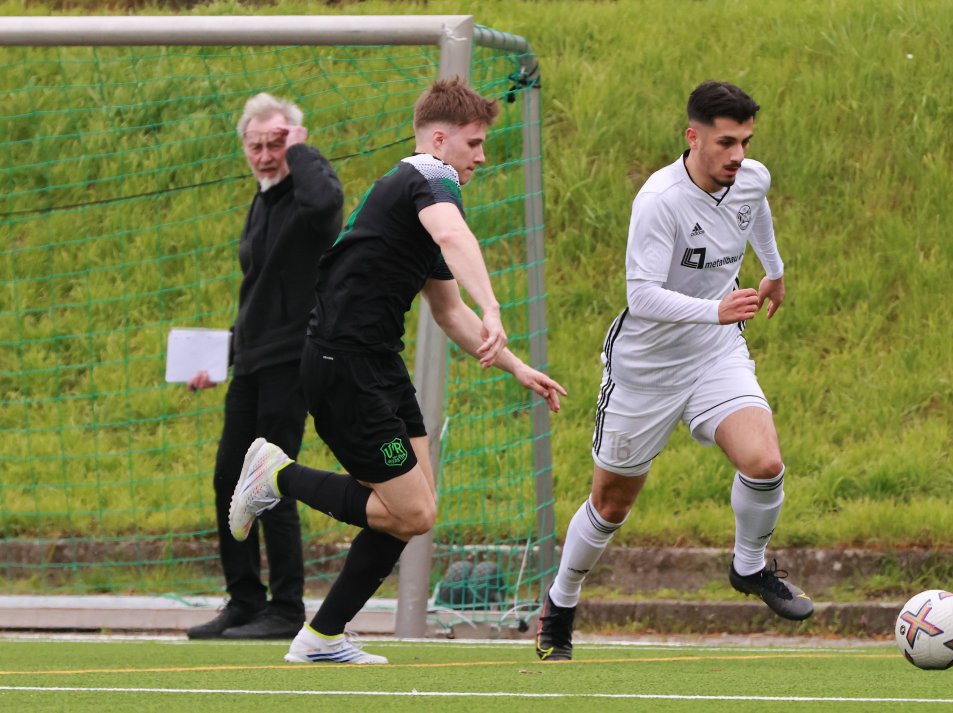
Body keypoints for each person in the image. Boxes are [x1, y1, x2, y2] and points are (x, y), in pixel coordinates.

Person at [228, 78, 567, 665]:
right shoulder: (427, 177)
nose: (481, 157)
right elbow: (454, 236)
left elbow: (447, 311)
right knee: (413, 512)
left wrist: (515, 366)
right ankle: (275, 475)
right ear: (440, 139)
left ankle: (322, 636)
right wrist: (495, 306)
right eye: (475, 143)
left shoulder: (416, 199)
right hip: (343, 367)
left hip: (377, 366)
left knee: (410, 513)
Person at [534, 81, 814, 662]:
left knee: (764, 462)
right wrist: (715, 308)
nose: (738, 155)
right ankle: (561, 603)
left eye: (745, 141)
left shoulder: (750, 177)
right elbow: (641, 296)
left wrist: (775, 271)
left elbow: (754, 210)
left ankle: (749, 567)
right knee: (611, 506)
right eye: (725, 142)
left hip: (715, 353)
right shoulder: (659, 200)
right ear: (693, 138)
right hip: (646, 367)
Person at [186, 93, 343, 641]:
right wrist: (218, 359)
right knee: (229, 477)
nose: (265, 153)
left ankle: (286, 607)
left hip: (289, 359)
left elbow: (327, 204)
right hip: (252, 360)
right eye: (256, 145)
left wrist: (302, 152)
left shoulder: (307, 198)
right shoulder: (263, 202)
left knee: (269, 477)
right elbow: (255, 294)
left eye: (276, 142)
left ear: (295, 141)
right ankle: (245, 600)